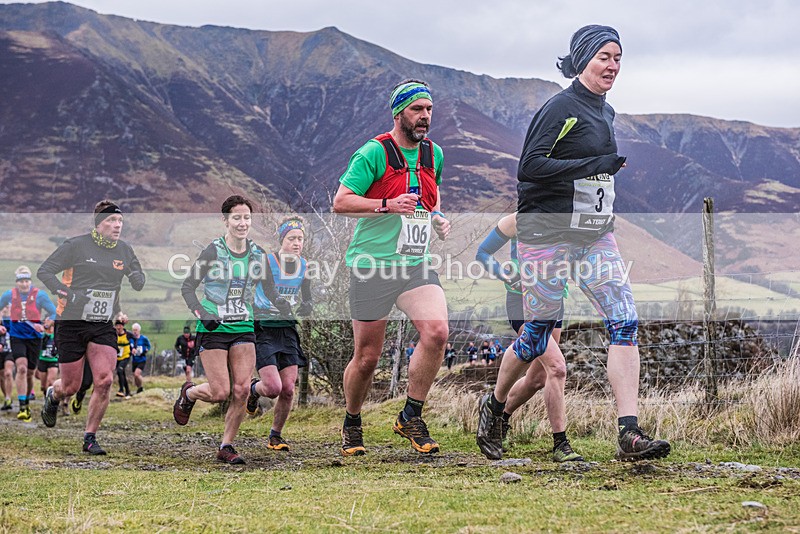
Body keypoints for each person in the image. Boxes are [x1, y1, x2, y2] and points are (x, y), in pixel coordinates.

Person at [476, 25, 670, 463]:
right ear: (584, 58)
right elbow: (530, 167)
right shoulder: (560, 107)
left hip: (595, 236)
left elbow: (594, 179)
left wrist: (599, 186)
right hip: (546, 237)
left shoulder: (608, 112)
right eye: (605, 56)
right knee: (536, 335)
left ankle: (629, 433)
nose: (613, 65)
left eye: (619, 57)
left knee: (624, 321)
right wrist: (594, 164)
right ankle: (495, 405)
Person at [332, 79, 451, 455]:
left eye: (429, 110)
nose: (425, 117)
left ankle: (410, 415)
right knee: (367, 358)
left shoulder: (435, 155)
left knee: (436, 331)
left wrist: (437, 219)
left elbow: (426, 203)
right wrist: (385, 205)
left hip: (414, 264)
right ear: (398, 113)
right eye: (417, 110)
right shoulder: (374, 153)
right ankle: (352, 420)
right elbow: (341, 201)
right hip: (373, 265)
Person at [37, 200, 145, 454]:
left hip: (101, 325)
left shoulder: (124, 250)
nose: (117, 225)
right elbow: (45, 271)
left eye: (120, 221)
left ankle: (90, 437)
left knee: (105, 380)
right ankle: (54, 394)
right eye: (111, 221)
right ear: (98, 224)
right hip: (71, 323)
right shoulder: (76, 245)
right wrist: (67, 293)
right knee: (71, 386)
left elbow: (136, 272)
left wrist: (138, 277)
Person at [476, 212, 582, 462]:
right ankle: (561, 444)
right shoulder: (517, 219)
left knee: (537, 378)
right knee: (557, 368)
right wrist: (504, 273)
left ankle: (497, 415)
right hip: (522, 302)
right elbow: (482, 254)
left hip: (555, 301)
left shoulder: (567, 217)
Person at [173, 195, 263, 465]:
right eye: (237, 217)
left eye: (246, 217)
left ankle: (227, 445)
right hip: (213, 328)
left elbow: (265, 289)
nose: (242, 222)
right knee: (220, 392)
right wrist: (202, 312)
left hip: (243, 326)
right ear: (225, 220)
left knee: (242, 390)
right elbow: (187, 287)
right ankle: (188, 393)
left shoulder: (257, 254)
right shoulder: (213, 251)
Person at [246, 216, 313, 452]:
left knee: (288, 388)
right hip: (264, 326)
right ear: (282, 240)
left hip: (287, 329)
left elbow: (307, 294)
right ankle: (253, 390)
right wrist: (276, 300)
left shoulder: (304, 265)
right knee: (272, 388)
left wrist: (307, 304)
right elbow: (267, 287)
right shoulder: (268, 261)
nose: (297, 243)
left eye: (300, 239)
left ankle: (276, 435)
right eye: (292, 238)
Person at [0, 265, 57, 422]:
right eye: (21, 281)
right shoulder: (9, 295)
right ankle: (23, 406)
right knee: (22, 369)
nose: (24, 284)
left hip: (34, 338)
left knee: (31, 372)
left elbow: (54, 312)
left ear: (30, 282)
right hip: (17, 337)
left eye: (26, 281)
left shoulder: (40, 295)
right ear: (17, 282)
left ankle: (27, 394)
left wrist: (46, 324)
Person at [114, 316, 133, 398]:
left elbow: (135, 341)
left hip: (125, 356)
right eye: (117, 325)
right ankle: (128, 391)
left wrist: (134, 348)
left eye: (120, 325)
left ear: (123, 326)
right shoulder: (113, 334)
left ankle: (121, 390)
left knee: (120, 370)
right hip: (116, 357)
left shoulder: (128, 334)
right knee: (122, 373)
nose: (118, 327)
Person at [130, 322, 151, 394]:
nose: (134, 332)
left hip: (142, 359)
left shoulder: (144, 338)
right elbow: (129, 347)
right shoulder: (131, 339)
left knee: (137, 374)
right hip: (134, 359)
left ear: (139, 330)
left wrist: (146, 350)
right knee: (135, 377)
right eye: (133, 330)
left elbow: (149, 346)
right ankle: (139, 388)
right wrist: (131, 350)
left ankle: (142, 385)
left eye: (136, 330)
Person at [1, 306, 13, 410]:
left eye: (7, 307)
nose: (5, 309)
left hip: (10, 351)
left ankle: (9, 397)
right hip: (0, 351)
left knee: (8, 373)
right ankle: (6, 397)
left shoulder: (13, 320)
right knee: (1, 377)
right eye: (3, 308)